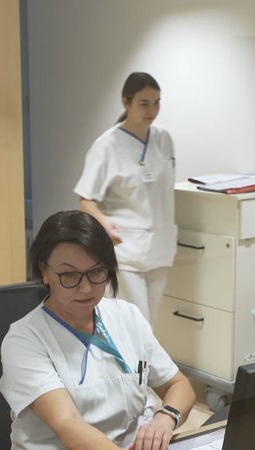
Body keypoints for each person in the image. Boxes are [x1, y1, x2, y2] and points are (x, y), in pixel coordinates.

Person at [0, 210, 195, 450]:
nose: (85, 288)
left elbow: (179, 385)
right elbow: (69, 426)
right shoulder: (24, 340)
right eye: (70, 275)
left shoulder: (126, 316)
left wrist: (166, 417)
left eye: (96, 272)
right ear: (44, 272)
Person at [74, 72, 177, 322]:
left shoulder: (163, 139)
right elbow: (85, 199)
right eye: (144, 103)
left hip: (160, 247)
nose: (152, 110)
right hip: (125, 248)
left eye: (157, 102)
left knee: (149, 323)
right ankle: (131, 363)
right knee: (135, 323)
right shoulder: (107, 146)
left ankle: (141, 363)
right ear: (126, 102)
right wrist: (104, 222)